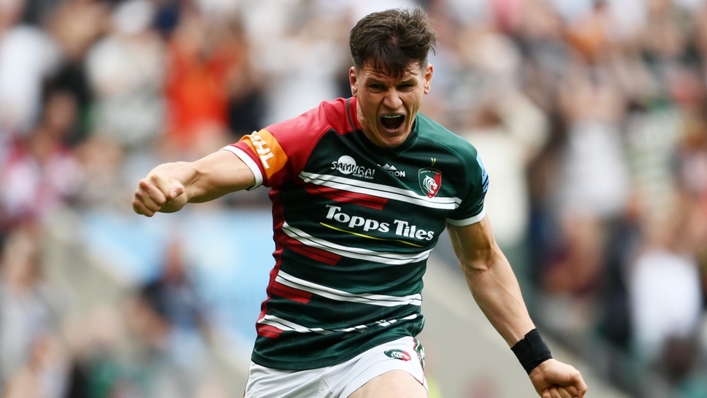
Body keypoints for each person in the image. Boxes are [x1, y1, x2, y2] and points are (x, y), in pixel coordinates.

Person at [132, 7, 588, 398]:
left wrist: (536, 360)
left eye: (405, 85)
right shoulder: (311, 136)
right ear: (355, 80)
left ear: (427, 79)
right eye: (377, 86)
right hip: (289, 359)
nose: (392, 102)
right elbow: (211, 170)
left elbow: (484, 263)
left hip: (381, 346)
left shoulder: (455, 164)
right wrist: (173, 183)